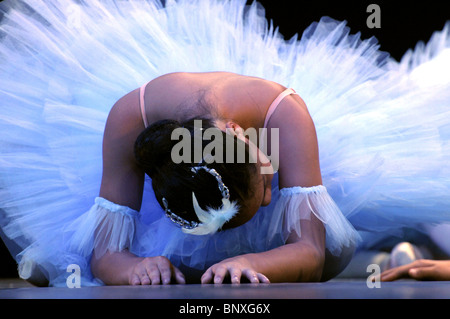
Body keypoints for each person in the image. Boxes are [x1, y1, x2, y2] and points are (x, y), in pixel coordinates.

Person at [0, 0, 449, 287]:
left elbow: (311, 253)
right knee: (66, 258)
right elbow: (107, 255)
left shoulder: (285, 113)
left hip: (269, 128)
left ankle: (401, 249)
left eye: (265, 187)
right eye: (267, 189)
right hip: (195, 173)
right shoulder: (127, 117)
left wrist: (258, 259)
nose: (273, 194)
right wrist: (130, 268)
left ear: (241, 137)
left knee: (335, 249)